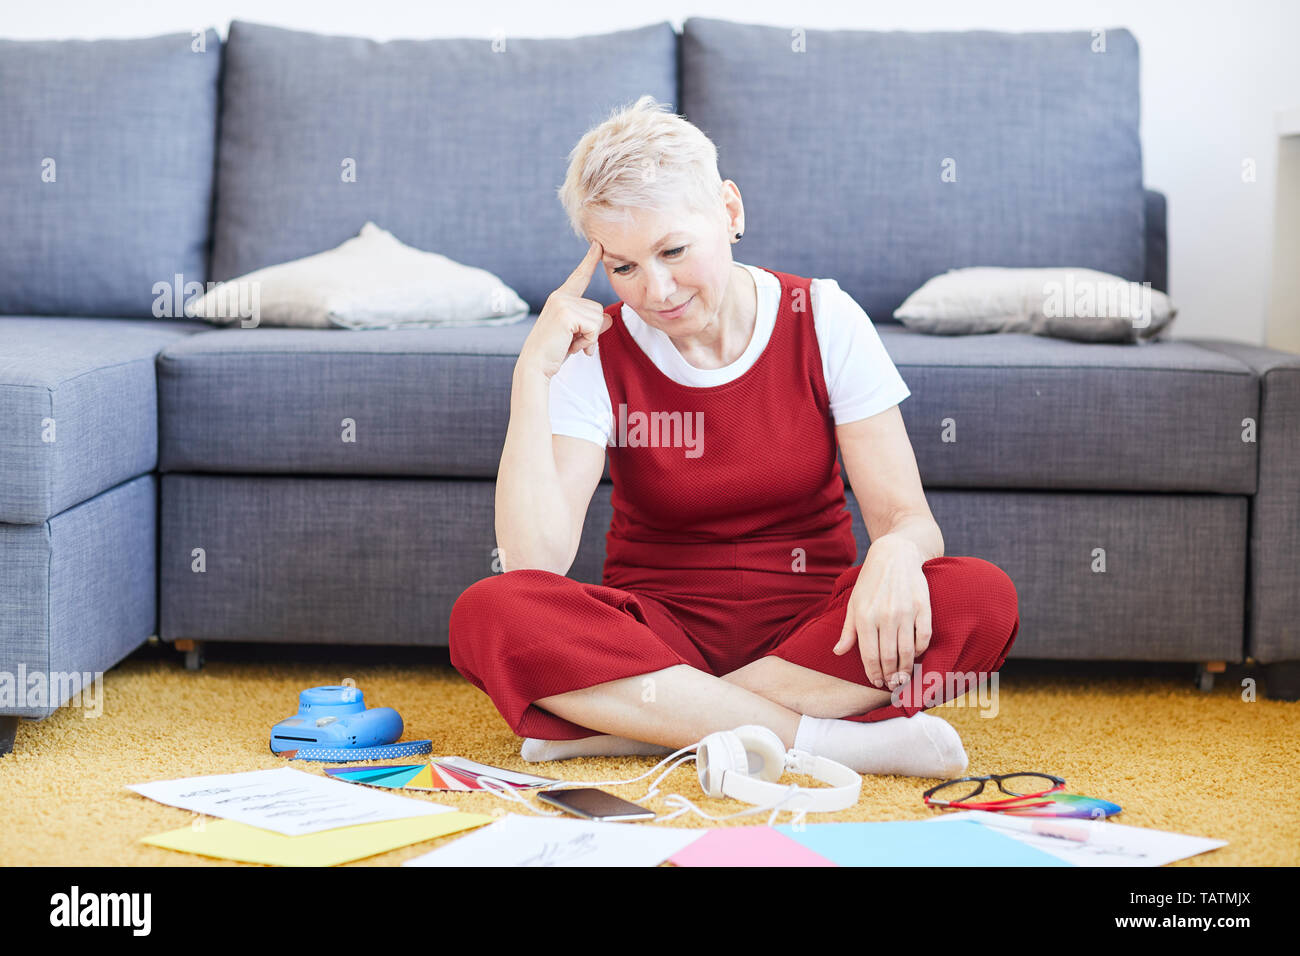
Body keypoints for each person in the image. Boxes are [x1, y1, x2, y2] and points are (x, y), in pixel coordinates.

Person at [448, 95, 1019, 777]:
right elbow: (533, 566)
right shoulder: (593, 349)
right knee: (491, 610)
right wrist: (530, 376)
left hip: (816, 637)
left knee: (980, 597)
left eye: (673, 250)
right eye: (623, 267)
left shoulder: (824, 316)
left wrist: (897, 549)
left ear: (730, 210)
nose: (655, 290)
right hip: (658, 644)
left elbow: (906, 518)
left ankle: (641, 724)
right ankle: (825, 742)